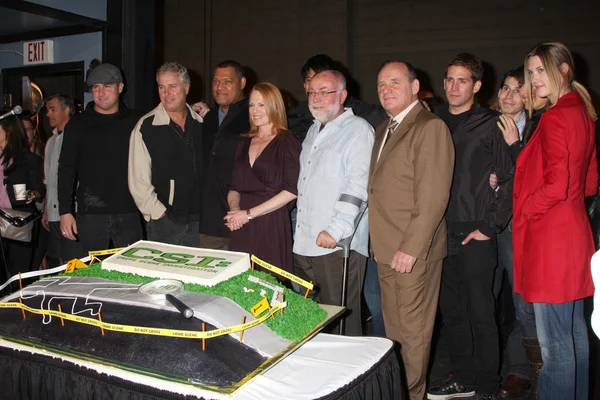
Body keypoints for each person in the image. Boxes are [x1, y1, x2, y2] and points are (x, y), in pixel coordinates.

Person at [513, 42, 598, 400]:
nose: (533, 79)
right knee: (575, 336)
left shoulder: (557, 115)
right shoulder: (582, 111)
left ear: (563, 69)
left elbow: (557, 184)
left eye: (541, 70)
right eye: (529, 72)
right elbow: (590, 181)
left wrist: (526, 208)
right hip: (574, 233)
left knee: (555, 350)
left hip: (551, 239)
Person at [427, 53, 514, 400]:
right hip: (441, 232)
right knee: (454, 314)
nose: (453, 86)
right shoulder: (434, 122)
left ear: (477, 86)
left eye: (462, 80)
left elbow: (509, 179)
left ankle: (488, 388)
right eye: (449, 79)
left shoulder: (493, 123)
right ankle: (463, 378)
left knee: (481, 314)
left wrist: (490, 226)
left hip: (477, 232)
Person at [369, 61, 454, 400]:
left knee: (414, 335)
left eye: (394, 82)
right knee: (397, 333)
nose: (386, 90)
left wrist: (411, 247)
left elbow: (433, 196)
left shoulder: (430, 127)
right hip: (386, 248)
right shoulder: (383, 129)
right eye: (380, 84)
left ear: (415, 87)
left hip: (412, 252)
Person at [293, 70, 373, 336]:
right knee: (313, 322)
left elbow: (359, 187)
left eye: (324, 91)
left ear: (342, 95)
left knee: (341, 326)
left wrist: (336, 230)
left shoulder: (358, 130)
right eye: (312, 92)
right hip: (306, 243)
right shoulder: (314, 131)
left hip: (338, 246)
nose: (316, 98)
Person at [58, 63, 143, 253]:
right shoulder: (78, 124)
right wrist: (65, 211)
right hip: (91, 214)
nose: (101, 92)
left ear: (120, 87)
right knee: (91, 274)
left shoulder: (136, 120)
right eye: (96, 87)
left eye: (107, 86)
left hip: (129, 211)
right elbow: (66, 169)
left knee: (131, 272)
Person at [224, 82, 301, 273]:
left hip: (271, 223)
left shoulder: (287, 141)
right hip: (242, 225)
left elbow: (291, 191)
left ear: (274, 106)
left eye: (261, 105)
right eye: (251, 105)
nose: (255, 111)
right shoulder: (244, 142)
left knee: (270, 287)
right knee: (240, 286)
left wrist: (249, 214)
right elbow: (235, 188)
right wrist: (235, 213)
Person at [129, 62, 207, 246]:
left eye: (172, 86)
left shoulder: (202, 123)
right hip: (166, 223)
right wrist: (159, 214)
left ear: (186, 88)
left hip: (202, 222)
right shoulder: (146, 127)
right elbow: (138, 180)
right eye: (161, 87)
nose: (166, 93)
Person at [491, 67, 533, 399]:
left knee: (521, 300)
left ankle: (519, 369)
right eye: (505, 88)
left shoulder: (535, 128)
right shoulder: (484, 125)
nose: (508, 95)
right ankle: (482, 364)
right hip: (482, 223)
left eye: (517, 89)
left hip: (516, 225)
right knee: (480, 298)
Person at [200, 60, 249, 250]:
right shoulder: (209, 119)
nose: (220, 87)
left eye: (227, 81)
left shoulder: (254, 117)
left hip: (243, 218)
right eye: (215, 81)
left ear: (242, 83)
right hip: (210, 222)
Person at [0, 115, 44, 280]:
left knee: (20, 273)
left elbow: (40, 190)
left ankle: (17, 304)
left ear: (9, 131)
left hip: (18, 220)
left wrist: (33, 194)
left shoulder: (28, 159)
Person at [42, 94, 83, 267]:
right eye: (47, 110)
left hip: (72, 212)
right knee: (59, 259)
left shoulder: (77, 137)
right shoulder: (51, 141)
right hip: (53, 213)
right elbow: (48, 180)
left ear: (66, 110)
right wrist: (45, 209)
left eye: (53, 109)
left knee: (73, 261)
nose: (48, 114)